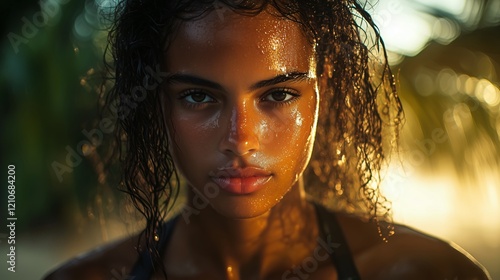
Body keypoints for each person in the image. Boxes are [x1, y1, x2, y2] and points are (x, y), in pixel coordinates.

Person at [44, 0, 491, 279]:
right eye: (198, 96)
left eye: (277, 94)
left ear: (322, 93)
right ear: (157, 102)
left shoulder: (426, 272)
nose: (241, 140)